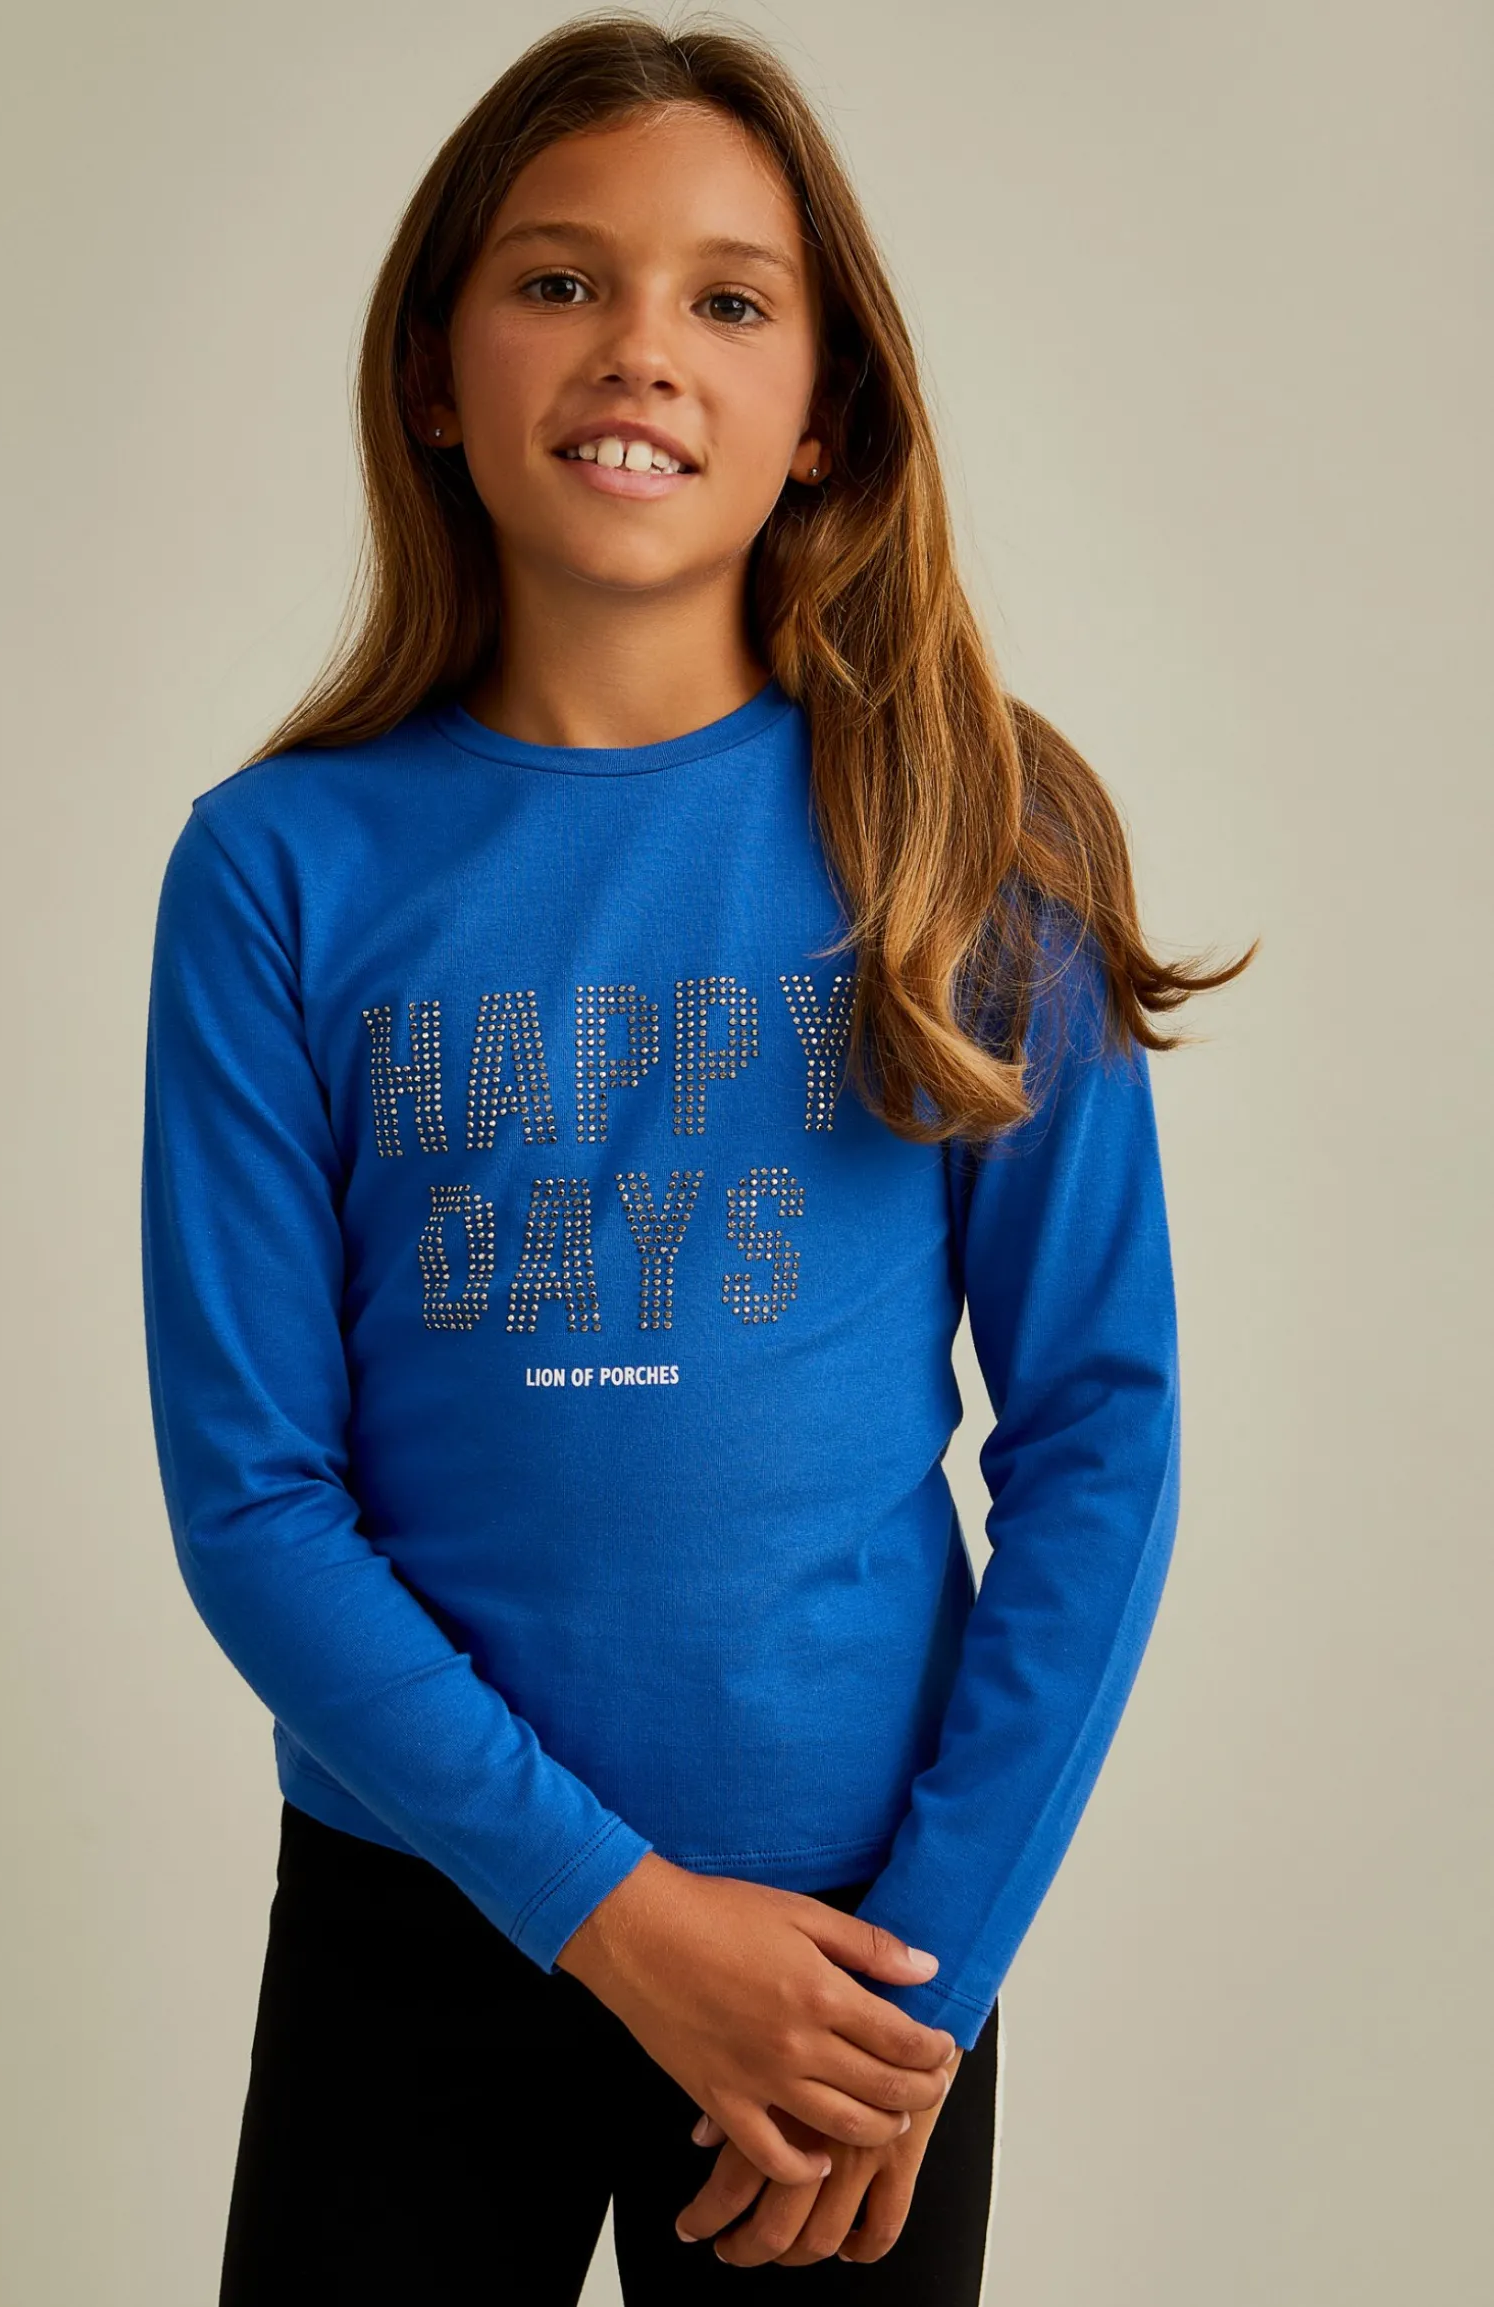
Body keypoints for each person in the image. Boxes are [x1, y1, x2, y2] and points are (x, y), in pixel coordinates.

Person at [138, 14, 1254, 2301]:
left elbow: (1099, 1433)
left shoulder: (972, 828)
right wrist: (618, 1918)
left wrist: (928, 1980)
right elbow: (253, 1499)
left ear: (823, 406)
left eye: (729, 298)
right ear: (433, 370)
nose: (639, 344)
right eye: (558, 278)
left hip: (859, 1967)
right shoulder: (276, 870)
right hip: (414, 1917)